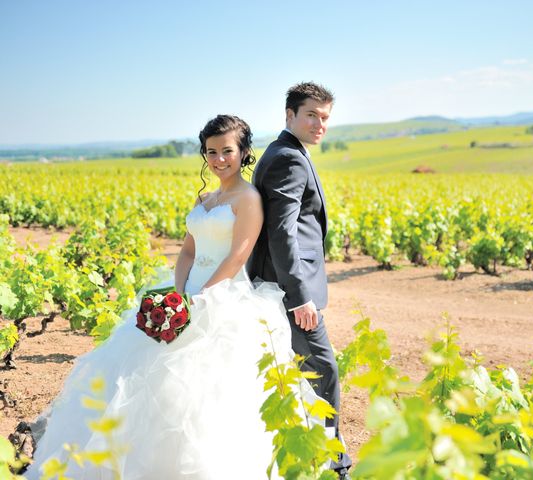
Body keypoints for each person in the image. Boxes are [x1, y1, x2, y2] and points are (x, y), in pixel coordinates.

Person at [25, 115, 324, 479]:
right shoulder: (205, 197)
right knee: (141, 380)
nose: (218, 160)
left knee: (205, 392)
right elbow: (186, 253)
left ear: (244, 152)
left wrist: (201, 300)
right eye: (211, 152)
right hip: (184, 296)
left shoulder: (249, 199)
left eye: (227, 151)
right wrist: (177, 294)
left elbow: (237, 257)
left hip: (224, 299)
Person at [248, 82, 352, 479]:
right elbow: (282, 232)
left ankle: (307, 454)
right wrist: (300, 297)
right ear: (289, 115)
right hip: (290, 292)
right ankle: (332, 464)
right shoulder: (288, 158)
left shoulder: (287, 153)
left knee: (302, 371)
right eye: (311, 114)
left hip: (283, 287)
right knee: (323, 370)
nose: (320, 123)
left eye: (325, 117)